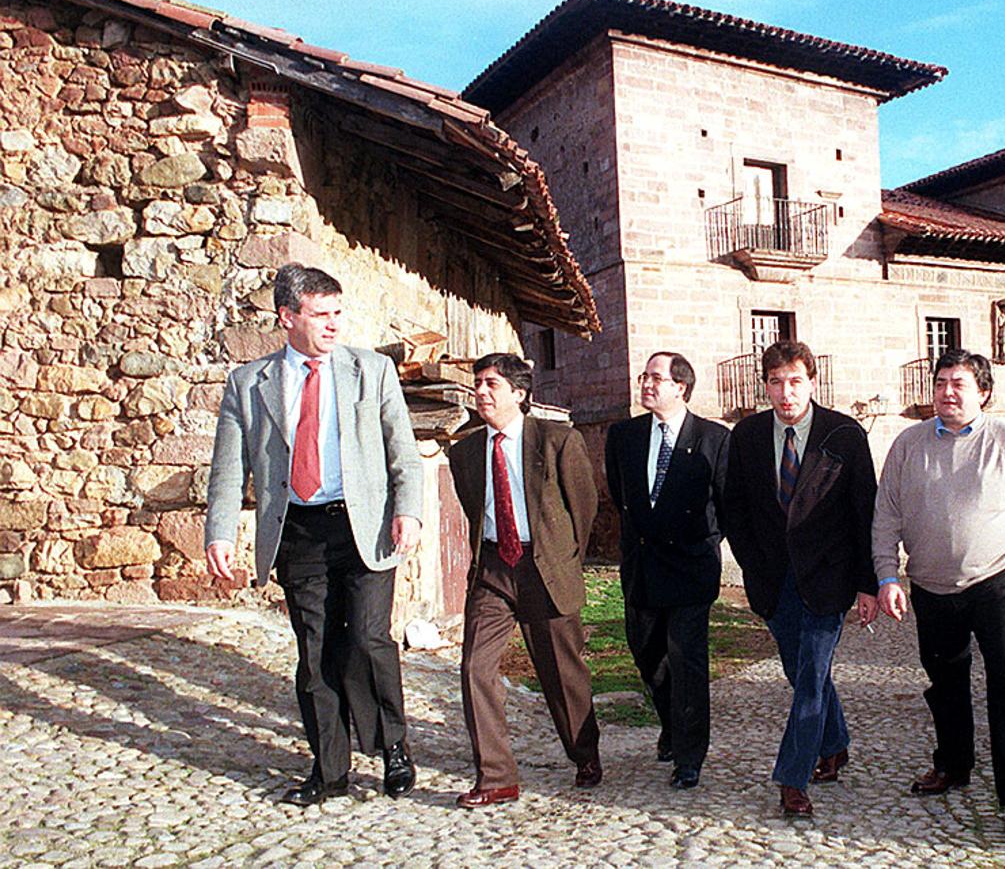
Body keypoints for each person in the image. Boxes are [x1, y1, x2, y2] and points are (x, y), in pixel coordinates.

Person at [205, 262, 422, 807]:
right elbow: (229, 467)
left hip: (364, 526)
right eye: (321, 314)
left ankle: (392, 745)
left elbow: (404, 452)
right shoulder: (248, 382)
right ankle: (329, 772)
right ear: (288, 317)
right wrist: (220, 532)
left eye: (337, 313)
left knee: (370, 640)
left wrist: (410, 511)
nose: (333, 324)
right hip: (298, 531)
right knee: (317, 652)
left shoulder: (371, 371)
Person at [872, 348, 1005, 837]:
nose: (946, 392)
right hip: (931, 588)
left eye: (958, 384)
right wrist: (887, 577)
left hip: (995, 581)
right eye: (940, 383)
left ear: (983, 392)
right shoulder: (907, 445)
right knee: (945, 683)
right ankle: (954, 765)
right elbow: (886, 517)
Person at [723, 341, 878, 818]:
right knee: (802, 673)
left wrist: (869, 584)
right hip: (772, 581)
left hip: (828, 580)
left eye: (794, 381)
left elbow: (864, 513)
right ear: (765, 385)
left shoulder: (843, 435)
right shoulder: (746, 436)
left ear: (812, 382)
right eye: (775, 382)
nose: (785, 393)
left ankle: (793, 778)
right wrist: (751, 564)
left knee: (810, 677)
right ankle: (835, 742)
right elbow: (734, 509)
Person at [447, 353, 602, 808]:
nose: (481, 392)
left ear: (519, 393)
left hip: (544, 566)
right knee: (475, 667)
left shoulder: (558, 441)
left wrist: (562, 557)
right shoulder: (465, 453)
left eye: (492, 384)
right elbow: (473, 509)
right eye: (477, 384)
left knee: (561, 672)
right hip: (494, 569)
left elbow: (584, 506)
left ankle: (584, 753)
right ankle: (496, 778)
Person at [605, 352, 729, 790]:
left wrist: (707, 544)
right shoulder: (623, 436)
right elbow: (621, 494)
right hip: (642, 566)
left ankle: (689, 754)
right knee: (648, 656)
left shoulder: (714, 438)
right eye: (645, 376)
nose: (647, 384)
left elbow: (726, 502)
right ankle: (672, 725)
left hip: (692, 566)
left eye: (656, 377)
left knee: (687, 659)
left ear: (681, 387)